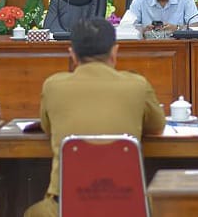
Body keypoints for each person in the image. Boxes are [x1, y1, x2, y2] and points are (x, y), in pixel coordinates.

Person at [24, 18, 165, 217]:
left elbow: (48, 129)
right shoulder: (137, 85)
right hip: (128, 208)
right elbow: (157, 126)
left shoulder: (53, 86)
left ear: (72, 54)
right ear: (115, 52)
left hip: (64, 209)